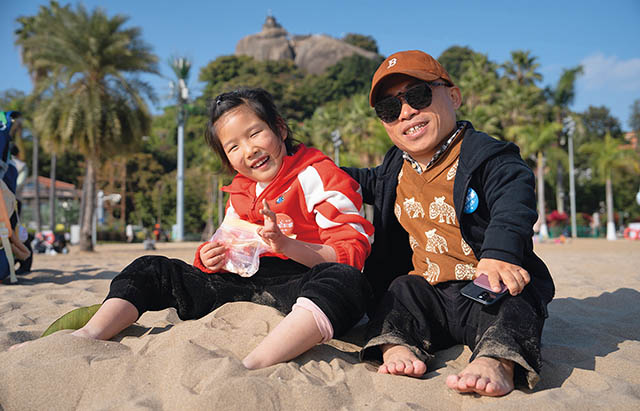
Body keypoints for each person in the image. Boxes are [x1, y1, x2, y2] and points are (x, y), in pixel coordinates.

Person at [68, 87, 374, 369]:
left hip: (299, 285)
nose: (249, 150)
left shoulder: (318, 175)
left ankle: (254, 363)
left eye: (255, 133)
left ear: (280, 128)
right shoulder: (240, 190)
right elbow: (223, 245)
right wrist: (208, 257)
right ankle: (90, 334)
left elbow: (350, 255)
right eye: (234, 146)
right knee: (151, 267)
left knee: (346, 281)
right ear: (227, 159)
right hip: (241, 285)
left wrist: (286, 245)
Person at [344, 50, 554, 396]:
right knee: (399, 292)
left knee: (517, 301)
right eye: (389, 108)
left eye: (418, 95)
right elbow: (351, 181)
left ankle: (495, 360)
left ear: (453, 96)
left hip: (485, 286)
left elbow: (512, 200)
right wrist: (306, 168)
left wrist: (500, 253)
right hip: (428, 294)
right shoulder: (394, 168)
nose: (406, 112)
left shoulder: (488, 156)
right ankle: (396, 345)